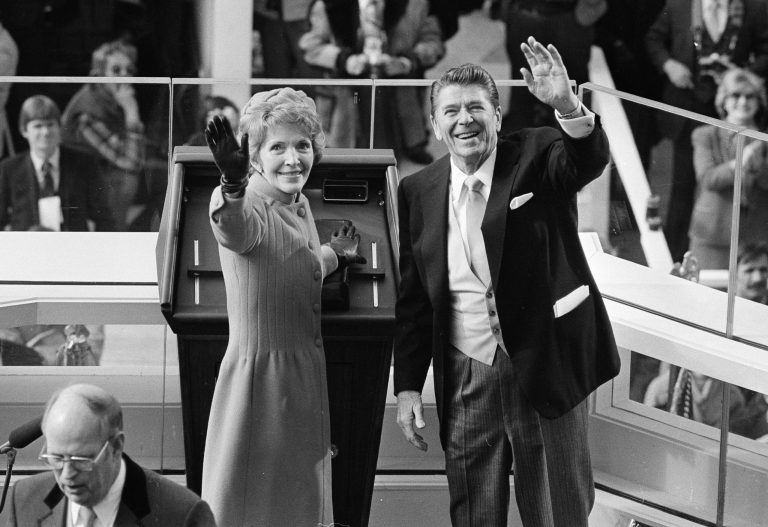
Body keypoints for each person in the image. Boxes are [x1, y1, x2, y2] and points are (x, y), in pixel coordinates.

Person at [394, 38, 620, 526]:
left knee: (558, 511)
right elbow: (415, 300)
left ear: (497, 116)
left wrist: (567, 106)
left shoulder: (537, 153)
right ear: (435, 124)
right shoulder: (417, 190)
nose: (465, 120)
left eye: (477, 107)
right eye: (451, 111)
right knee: (474, 511)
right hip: (466, 373)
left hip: (544, 363)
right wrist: (408, 386)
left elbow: (586, 161)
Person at [201, 87, 365, 526]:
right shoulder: (249, 202)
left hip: (298, 384)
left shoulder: (297, 202)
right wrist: (231, 184)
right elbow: (234, 229)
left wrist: (334, 255)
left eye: (302, 146)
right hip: (260, 389)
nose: (293, 159)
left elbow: (294, 261)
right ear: (253, 157)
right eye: (277, 147)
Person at [645, 0, 768, 262]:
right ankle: (674, 261)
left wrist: (742, 75)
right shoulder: (679, 5)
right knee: (682, 190)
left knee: (741, 185)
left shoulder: (754, 8)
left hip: (733, 109)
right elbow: (653, 39)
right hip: (688, 108)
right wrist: (669, 65)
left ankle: (741, 260)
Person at [4, 383, 216, 526]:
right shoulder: (22, 500)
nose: (67, 475)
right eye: (56, 459)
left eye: (81, 460)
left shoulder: (183, 515)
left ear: (116, 447)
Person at [299, 0, 445, 162]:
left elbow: (433, 42)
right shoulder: (326, 7)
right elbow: (311, 46)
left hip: (397, 95)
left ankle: (412, 145)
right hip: (347, 98)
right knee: (346, 152)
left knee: (392, 152)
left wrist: (406, 63)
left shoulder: (416, 5)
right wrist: (343, 60)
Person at [61, 40, 146, 231]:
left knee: (165, 176)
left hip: (102, 168)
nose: (125, 76)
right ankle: (117, 232)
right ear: (98, 75)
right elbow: (132, 161)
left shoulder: (111, 98)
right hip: (78, 184)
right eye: (116, 70)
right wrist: (132, 112)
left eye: (129, 70)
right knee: (129, 177)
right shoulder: (86, 114)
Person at [689, 68, 767, 269]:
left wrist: (759, 165)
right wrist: (741, 161)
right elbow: (708, 179)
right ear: (723, 100)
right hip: (713, 234)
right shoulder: (705, 135)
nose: (743, 101)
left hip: (756, 238)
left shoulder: (764, 140)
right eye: (735, 95)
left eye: (750, 96)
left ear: (759, 102)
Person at [0, 95, 115, 232]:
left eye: (50, 125)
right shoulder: (9, 169)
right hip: (27, 244)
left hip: (72, 243)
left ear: (59, 127)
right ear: (24, 130)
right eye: (38, 126)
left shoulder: (84, 163)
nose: (45, 132)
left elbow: (104, 218)